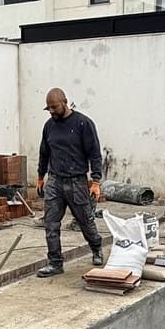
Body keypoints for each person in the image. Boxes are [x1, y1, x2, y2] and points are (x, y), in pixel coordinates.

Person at [35, 89, 104, 277]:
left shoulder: (83, 123)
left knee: (85, 221)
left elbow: (95, 154)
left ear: (65, 102)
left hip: (77, 182)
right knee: (51, 224)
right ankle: (55, 263)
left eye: (54, 107)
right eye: (48, 108)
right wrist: (41, 177)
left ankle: (97, 248)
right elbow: (44, 152)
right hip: (55, 181)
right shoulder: (49, 126)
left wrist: (96, 181)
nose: (51, 111)